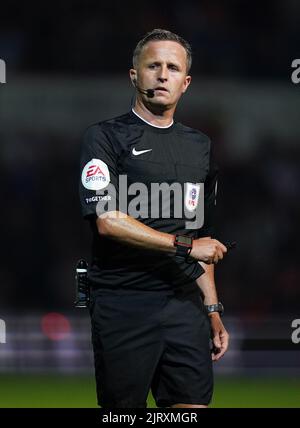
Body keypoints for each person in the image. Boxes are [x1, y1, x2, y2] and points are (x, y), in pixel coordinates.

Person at [79, 28, 229, 408]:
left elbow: (202, 235)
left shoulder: (201, 146)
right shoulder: (104, 138)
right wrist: (185, 246)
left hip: (184, 304)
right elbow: (107, 219)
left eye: (173, 67)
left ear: (186, 82)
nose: (163, 74)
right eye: (154, 65)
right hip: (123, 301)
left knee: (190, 409)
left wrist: (211, 308)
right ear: (135, 75)